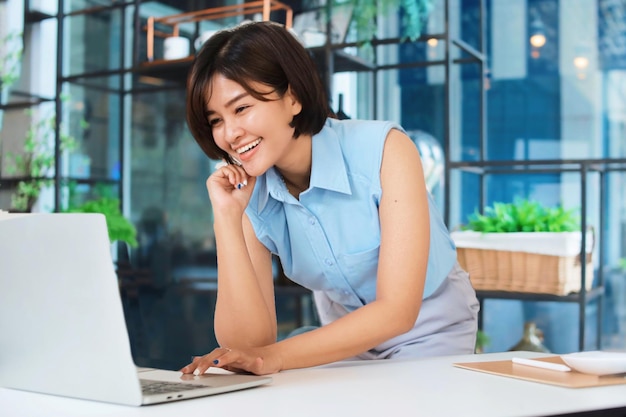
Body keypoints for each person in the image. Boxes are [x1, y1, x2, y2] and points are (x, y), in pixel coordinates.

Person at [181, 21, 479, 376]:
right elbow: (246, 346)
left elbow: (397, 311)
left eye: (241, 108)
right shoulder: (250, 195)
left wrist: (273, 358)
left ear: (292, 97)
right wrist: (227, 219)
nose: (229, 134)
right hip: (340, 348)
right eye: (216, 120)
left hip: (431, 335)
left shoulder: (384, 150)